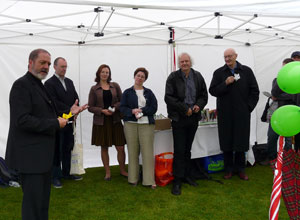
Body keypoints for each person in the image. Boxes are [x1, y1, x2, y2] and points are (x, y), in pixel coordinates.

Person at [5, 49, 87, 220]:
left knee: (42, 205)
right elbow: (22, 120)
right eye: (42, 62)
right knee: (32, 207)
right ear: (30, 62)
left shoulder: (39, 85)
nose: (46, 67)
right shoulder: (21, 85)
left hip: (42, 158)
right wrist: (55, 123)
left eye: (48, 64)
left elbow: (49, 114)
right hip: (30, 158)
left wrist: (70, 113)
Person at [209, 48, 259, 181]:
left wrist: (248, 107)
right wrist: (225, 83)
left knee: (241, 142)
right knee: (227, 142)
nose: (227, 59)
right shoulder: (219, 73)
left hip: (242, 113)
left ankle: (241, 169)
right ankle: (228, 169)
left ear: (236, 56)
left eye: (230, 56)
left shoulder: (246, 71)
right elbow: (213, 91)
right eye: (225, 57)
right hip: (225, 114)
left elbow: (255, 91)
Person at [165, 52, 208, 195]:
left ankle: (186, 175)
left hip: (193, 118)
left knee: (188, 149)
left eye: (186, 61)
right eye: (182, 61)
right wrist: (185, 109)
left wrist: (198, 106)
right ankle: (177, 180)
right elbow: (168, 98)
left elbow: (204, 95)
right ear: (179, 63)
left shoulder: (198, 76)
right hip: (179, 118)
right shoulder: (173, 77)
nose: (184, 63)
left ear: (191, 62)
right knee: (179, 150)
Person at [44, 57, 83, 188]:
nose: (64, 69)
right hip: (58, 121)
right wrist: (70, 110)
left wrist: (76, 111)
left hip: (70, 121)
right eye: (62, 66)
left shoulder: (70, 82)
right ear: (54, 67)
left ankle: (67, 173)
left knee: (68, 147)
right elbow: (53, 102)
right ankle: (55, 176)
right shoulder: (49, 84)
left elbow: (76, 99)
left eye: (66, 67)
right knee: (57, 149)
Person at [88, 64, 127, 180]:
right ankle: (108, 172)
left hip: (115, 120)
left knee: (120, 147)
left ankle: (123, 170)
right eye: (103, 72)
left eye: (107, 72)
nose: (105, 74)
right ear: (98, 73)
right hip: (101, 122)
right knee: (104, 147)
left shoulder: (115, 86)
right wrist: (102, 111)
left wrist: (115, 107)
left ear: (109, 74)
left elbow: (122, 101)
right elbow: (90, 107)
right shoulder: (94, 89)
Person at [120, 67, 157, 189]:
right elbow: (122, 108)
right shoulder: (127, 92)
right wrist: (132, 111)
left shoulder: (149, 92)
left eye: (142, 76)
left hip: (146, 124)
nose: (140, 78)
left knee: (147, 152)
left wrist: (142, 110)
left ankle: (149, 180)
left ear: (145, 79)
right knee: (132, 151)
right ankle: (133, 178)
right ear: (134, 76)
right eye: (138, 75)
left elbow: (153, 107)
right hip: (131, 124)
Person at [264, 58, 294, 163]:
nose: (283, 69)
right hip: (276, 113)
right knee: (271, 136)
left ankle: (287, 159)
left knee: (288, 138)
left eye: (285, 67)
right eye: (283, 67)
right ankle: (272, 157)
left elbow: (293, 95)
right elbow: (274, 93)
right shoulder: (276, 80)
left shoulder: (296, 81)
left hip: (289, 114)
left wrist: (280, 96)